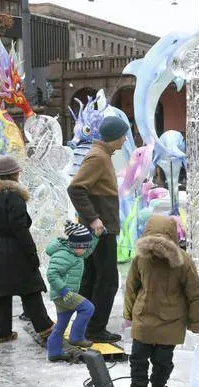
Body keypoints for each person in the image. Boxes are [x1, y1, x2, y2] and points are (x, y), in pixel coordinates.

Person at [113, 215, 199, 387]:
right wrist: (129, 314)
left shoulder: (183, 262)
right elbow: (131, 287)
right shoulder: (141, 259)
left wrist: (196, 322)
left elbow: (195, 294)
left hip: (171, 321)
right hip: (144, 316)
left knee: (162, 362)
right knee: (137, 360)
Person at [0, 156, 54, 343]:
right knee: (30, 289)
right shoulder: (13, 195)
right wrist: (31, 253)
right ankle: (45, 328)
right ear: (12, 174)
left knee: (1, 293)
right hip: (14, 249)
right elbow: (20, 228)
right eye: (17, 171)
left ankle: (2, 333)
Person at [68, 116, 129, 343]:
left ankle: (84, 325)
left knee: (92, 278)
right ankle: (95, 329)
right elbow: (75, 189)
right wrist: (93, 219)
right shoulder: (97, 157)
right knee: (108, 280)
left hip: (100, 229)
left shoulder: (102, 155)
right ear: (114, 135)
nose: (125, 139)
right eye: (123, 134)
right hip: (100, 231)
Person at [45, 221, 99, 362]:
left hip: (64, 294)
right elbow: (52, 274)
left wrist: (95, 237)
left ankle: (54, 352)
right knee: (88, 308)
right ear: (76, 245)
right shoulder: (63, 254)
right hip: (63, 294)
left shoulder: (76, 253)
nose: (86, 250)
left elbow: (88, 249)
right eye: (84, 247)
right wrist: (64, 291)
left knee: (61, 324)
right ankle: (76, 337)